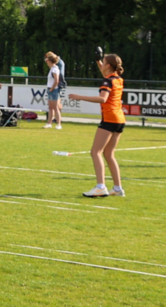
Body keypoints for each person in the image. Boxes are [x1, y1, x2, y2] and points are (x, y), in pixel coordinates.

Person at [67, 54, 127, 198]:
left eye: (104, 63)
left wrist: (79, 97)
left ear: (108, 66)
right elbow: (105, 72)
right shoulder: (117, 79)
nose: (102, 65)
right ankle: (118, 188)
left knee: (95, 152)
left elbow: (102, 98)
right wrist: (98, 60)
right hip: (120, 119)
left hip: (109, 119)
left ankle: (100, 187)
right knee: (109, 154)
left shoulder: (107, 81)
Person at [42, 52, 66, 129]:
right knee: (50, 107)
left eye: (47, 60)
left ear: (50, 61)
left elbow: (56, 81)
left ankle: (59, 124)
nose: (46, 61)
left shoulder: (55, 69)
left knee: (55, 107)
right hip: (50, 89)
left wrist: (51, 89)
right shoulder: (52, 69)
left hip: (54, 90)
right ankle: (49, 123)